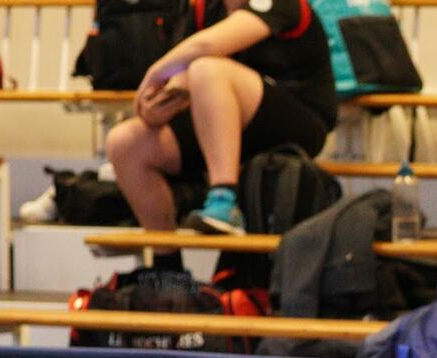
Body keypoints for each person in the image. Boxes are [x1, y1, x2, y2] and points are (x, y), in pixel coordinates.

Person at [106, 0, 337, 258]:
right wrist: (156, 107)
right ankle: (167, 269)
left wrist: (154, 73)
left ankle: (224, 199)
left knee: (206, 68)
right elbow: (181, 74)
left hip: (300, 120)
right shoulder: (204, 9)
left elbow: (203, 48)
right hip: (227, 124)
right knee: (125, 142)